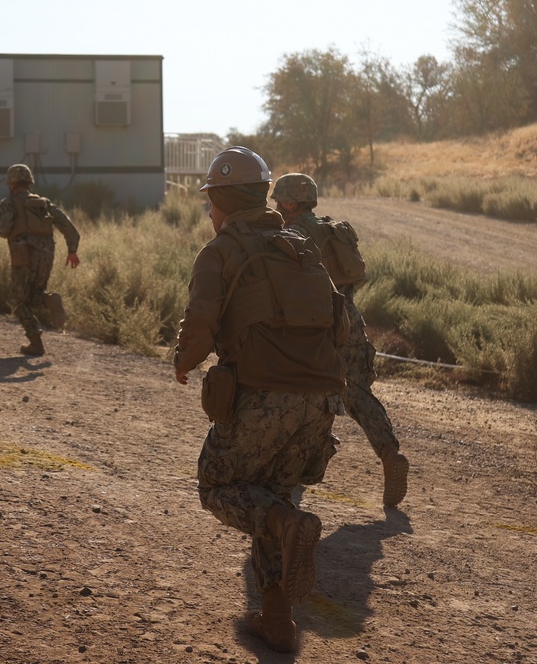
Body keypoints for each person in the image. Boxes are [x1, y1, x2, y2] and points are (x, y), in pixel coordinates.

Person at [174, 147, 348, 652]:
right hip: (319, 402)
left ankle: (287, 525)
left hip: (261, 398)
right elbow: (343, 325)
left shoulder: (221, 251)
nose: (209, 212)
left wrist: (184, 361)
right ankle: (277, 619)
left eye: (211, 202)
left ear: (224, 201)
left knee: (219, 485)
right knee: (273, 491)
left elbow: (201, 322)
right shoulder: (298, 245)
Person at [271, 173, 410, 508]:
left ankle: (295, 474)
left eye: (279, 200)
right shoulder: (332, 230)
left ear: (291, 202)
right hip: (349, 317)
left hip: (315, 324)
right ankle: (390, 454)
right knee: (357, 392)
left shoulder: (291, 234)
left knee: (308, 397)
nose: (275, 205)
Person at [0, 163, 80, 356]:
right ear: (29, 182)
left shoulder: (7, 203)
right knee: (35, 295)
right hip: (47, 253)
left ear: (11, 183)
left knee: (19, 300)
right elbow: (68, 226)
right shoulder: (43, 203)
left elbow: (4, 229)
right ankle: (49, 300)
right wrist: (72, 251)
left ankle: (36, 344)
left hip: (22, 252)